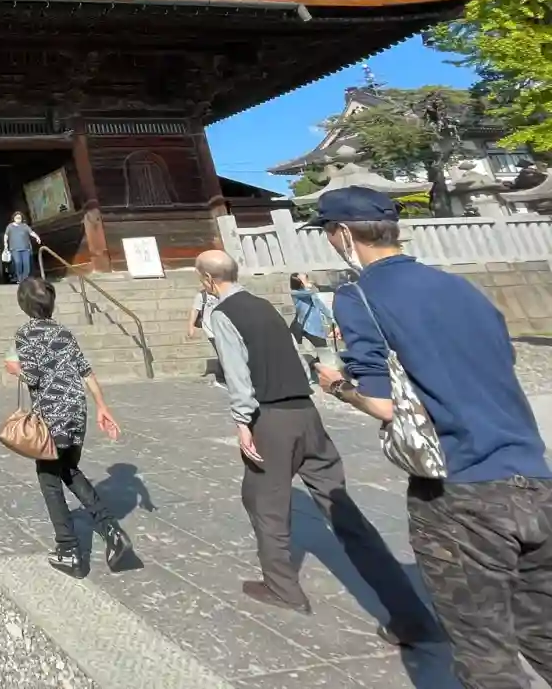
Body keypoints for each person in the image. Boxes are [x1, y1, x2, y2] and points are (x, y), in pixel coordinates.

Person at [311, 187, 550, 685]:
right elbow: (499, 361)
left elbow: (383, 403)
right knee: (543, 629)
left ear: (342, 233)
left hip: (459, 489)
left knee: (485, 652)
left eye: (329, 233)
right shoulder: (461, 287)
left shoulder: (359, 296)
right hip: (533, 477)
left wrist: (337, 387)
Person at [195, 249, 439, 644]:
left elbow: (238, 375)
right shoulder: (265, 305)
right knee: (342, 510)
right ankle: (410, 613)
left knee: (263, 501)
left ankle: (282, 588)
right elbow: (296, 355)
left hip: (271, 418)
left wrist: (242, 423)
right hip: (306, 413)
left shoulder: (224, 313)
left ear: (207, 280)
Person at [12, 277, 132, 577]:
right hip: (76, 411)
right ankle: (112, 532)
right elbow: (86, 372)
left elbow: (33, 376)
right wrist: (103, 407)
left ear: (24, 304)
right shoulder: (64, 332)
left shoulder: (25, 334)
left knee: (48, 478)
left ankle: (68, 549)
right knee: (68, 469)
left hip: (51, 415)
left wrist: (14, 368)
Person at [287, 272, 331, 384]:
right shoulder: (295, 293)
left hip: (313, 327)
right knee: (292, 351)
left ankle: (313, 365)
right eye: (303, 279)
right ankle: (301, 374)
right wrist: (306, 283)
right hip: (301, 325)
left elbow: (320, 305)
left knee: (323, 350)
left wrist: (331, 316)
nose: (307, 279)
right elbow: (309, 292)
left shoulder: (310, 292)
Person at [186, 286, 223, 386]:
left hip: (225, 328)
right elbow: (195, 310)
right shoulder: (201, 296)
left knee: (226, 353)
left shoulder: (223, 292)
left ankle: (223, 375)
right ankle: (222, 376)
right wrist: (191, 326)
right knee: (222, 352)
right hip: (211, 329)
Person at [3, 211, 42, 283]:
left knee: (26, 264)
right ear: (14, 218)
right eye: (17, 218)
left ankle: (24, 279)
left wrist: (37, 237)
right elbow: (6, 235)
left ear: (21, 219)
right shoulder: (10, 226)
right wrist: (5, 244)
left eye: (19, 218)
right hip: (14, 249)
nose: (18, 219)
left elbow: (31, 232)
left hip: (25, 249)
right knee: (18, 263)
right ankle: (19, 278)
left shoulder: (24, 226)